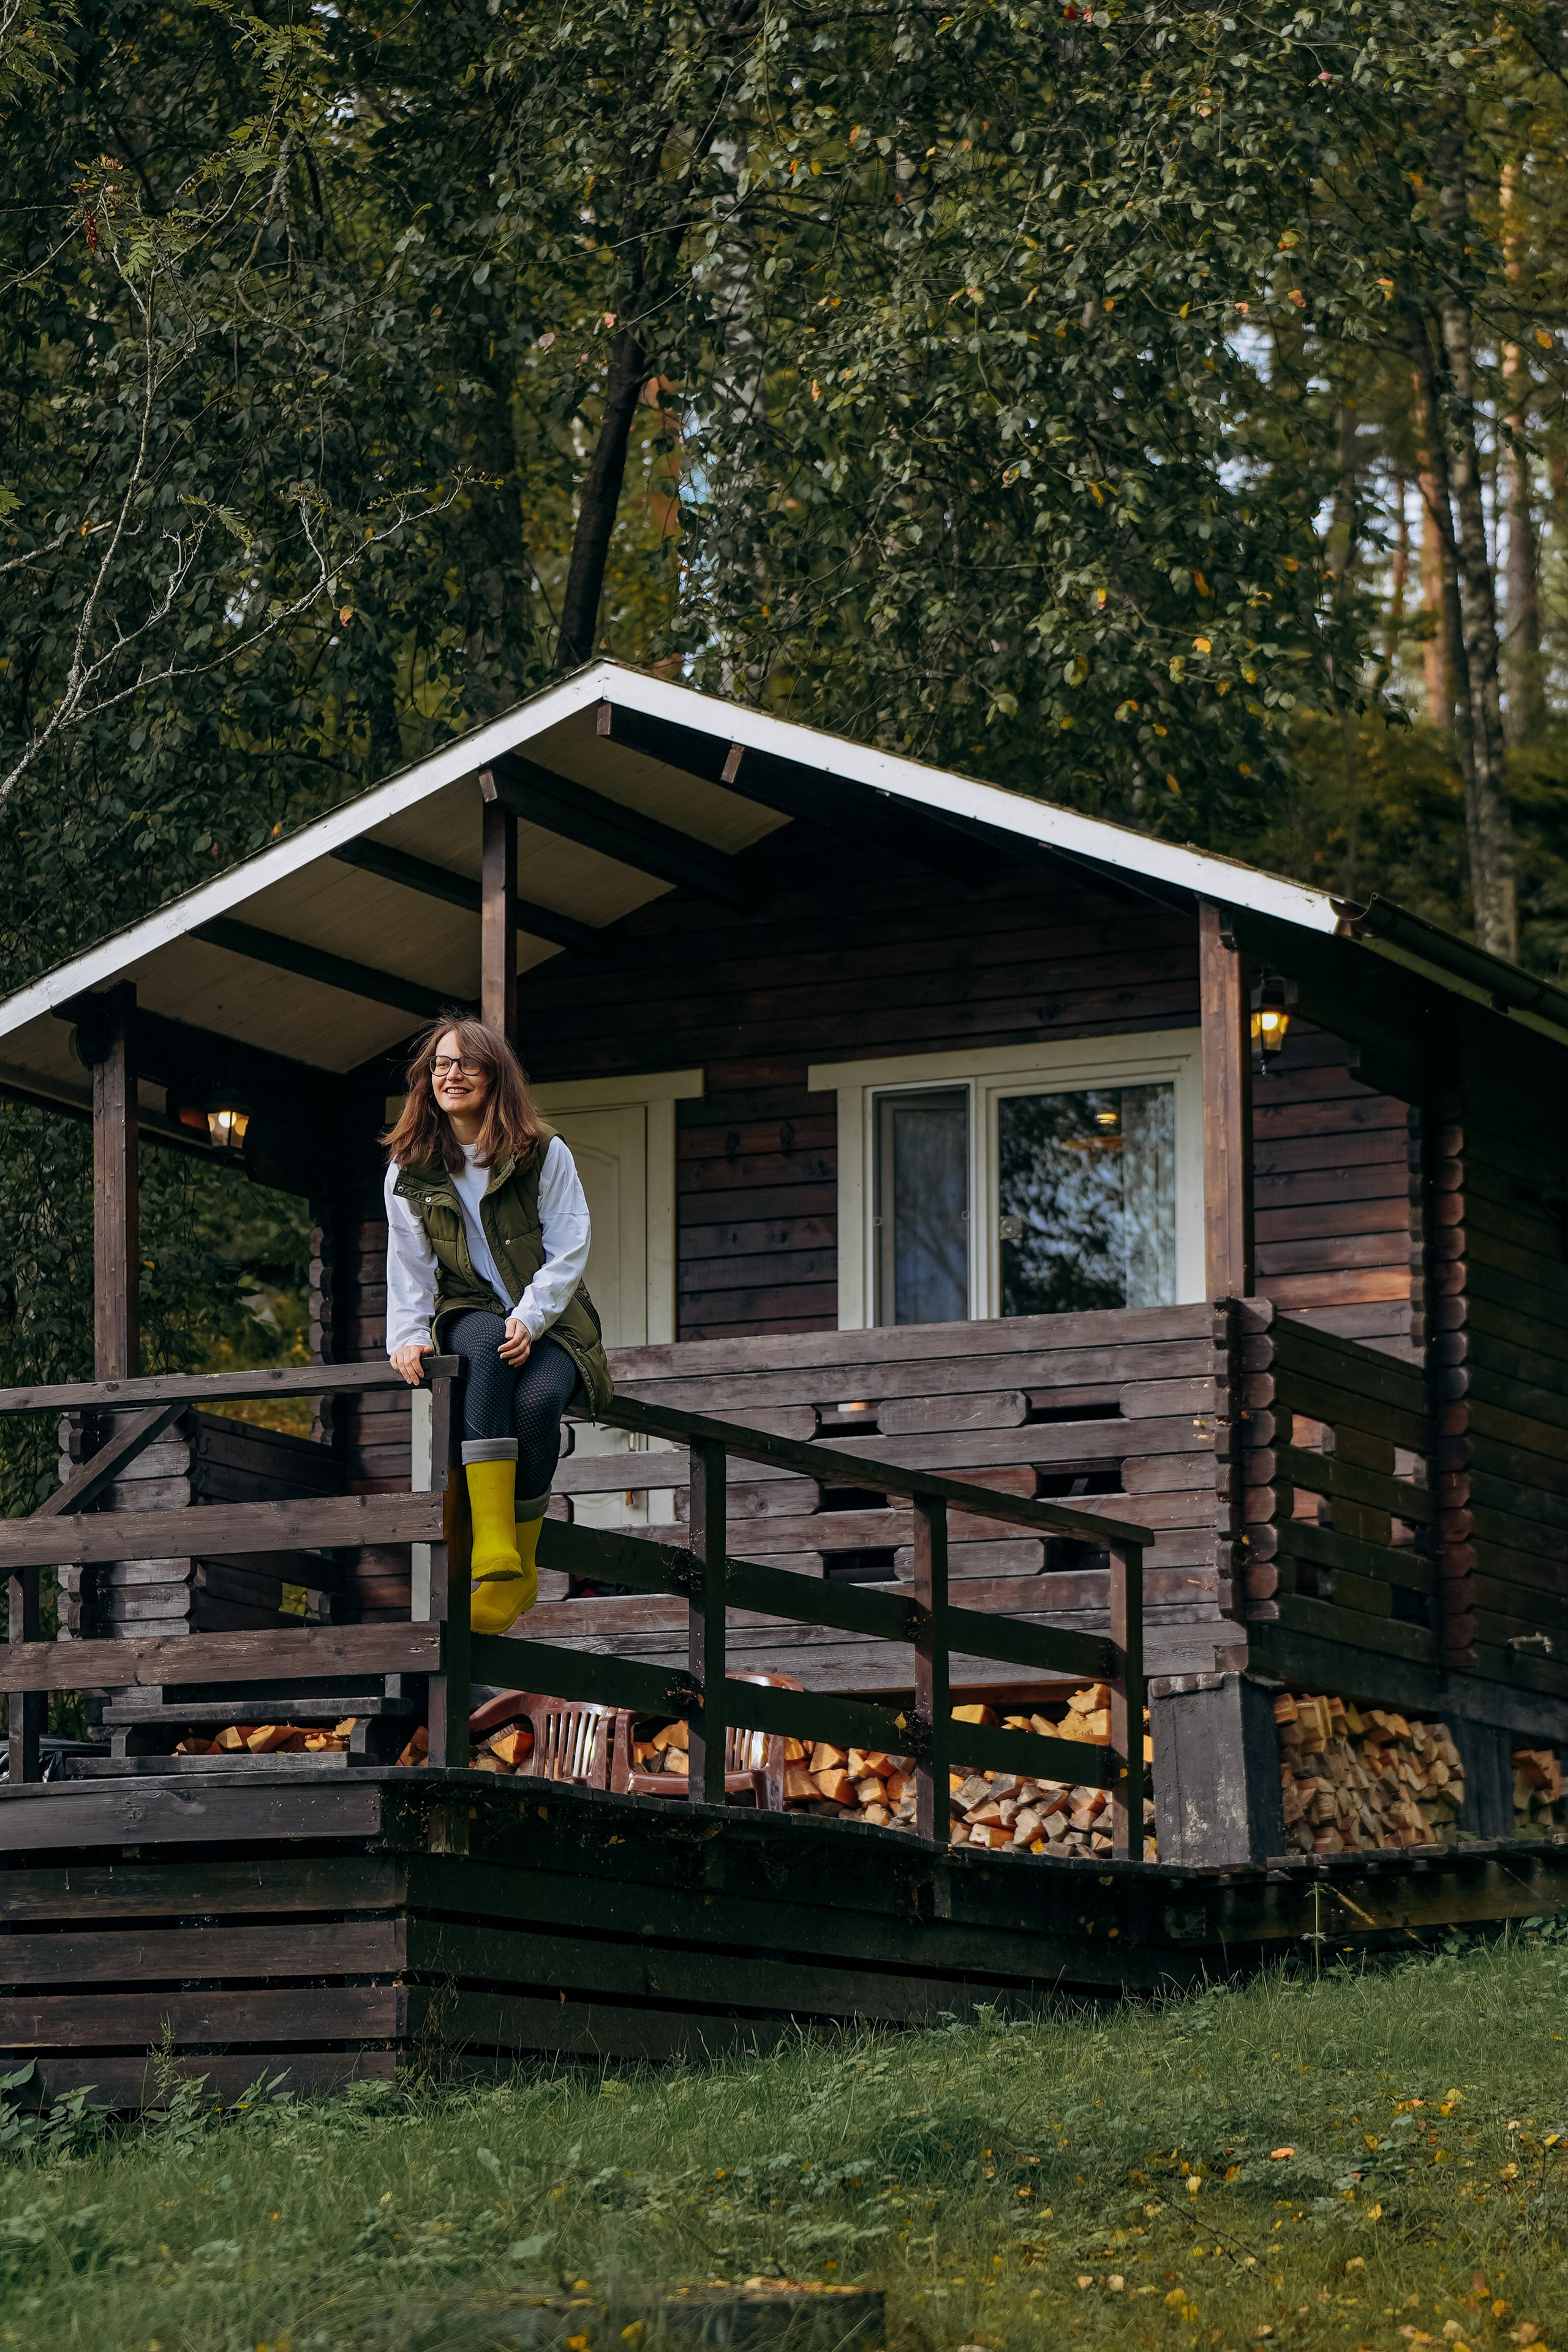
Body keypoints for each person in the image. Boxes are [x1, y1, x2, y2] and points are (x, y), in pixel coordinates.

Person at [383, 1015, 613, 1634]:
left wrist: (531, 1318)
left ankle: (523, 1568)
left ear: (495, 1077)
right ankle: (492, 1551)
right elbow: (408, 1265)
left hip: (552, 1317)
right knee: (482, 1347)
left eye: (466, 1064)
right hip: (466, 1308)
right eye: (440, 1066)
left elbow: (569, 1247)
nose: (451, 1075)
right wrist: (407, 1336)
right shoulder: (410, 1168)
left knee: (539, 1402)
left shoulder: (542, 1152)